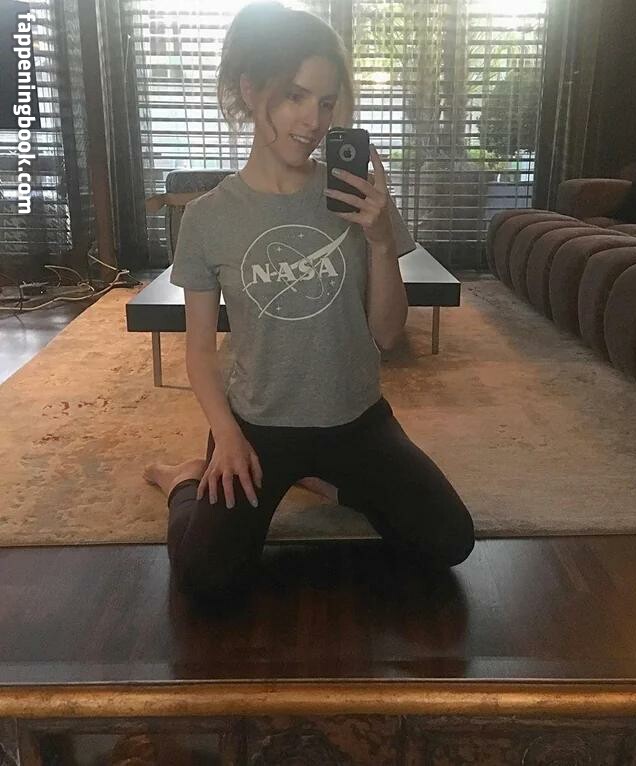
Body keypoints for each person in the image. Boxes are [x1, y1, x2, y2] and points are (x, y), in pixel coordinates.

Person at [144, 1, 475, 604]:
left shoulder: (358, 198)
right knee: (206, 579)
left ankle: (321, 479)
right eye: (295, 96)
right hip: (257, 427)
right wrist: (226, 435)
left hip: (356, 420)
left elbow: (388, 334)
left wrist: (381, 242)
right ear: (251, 90)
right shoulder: (209, 217)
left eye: (326, 102)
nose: (313, 120)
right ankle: (183, 480)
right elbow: (199, 352)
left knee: (449, 541)